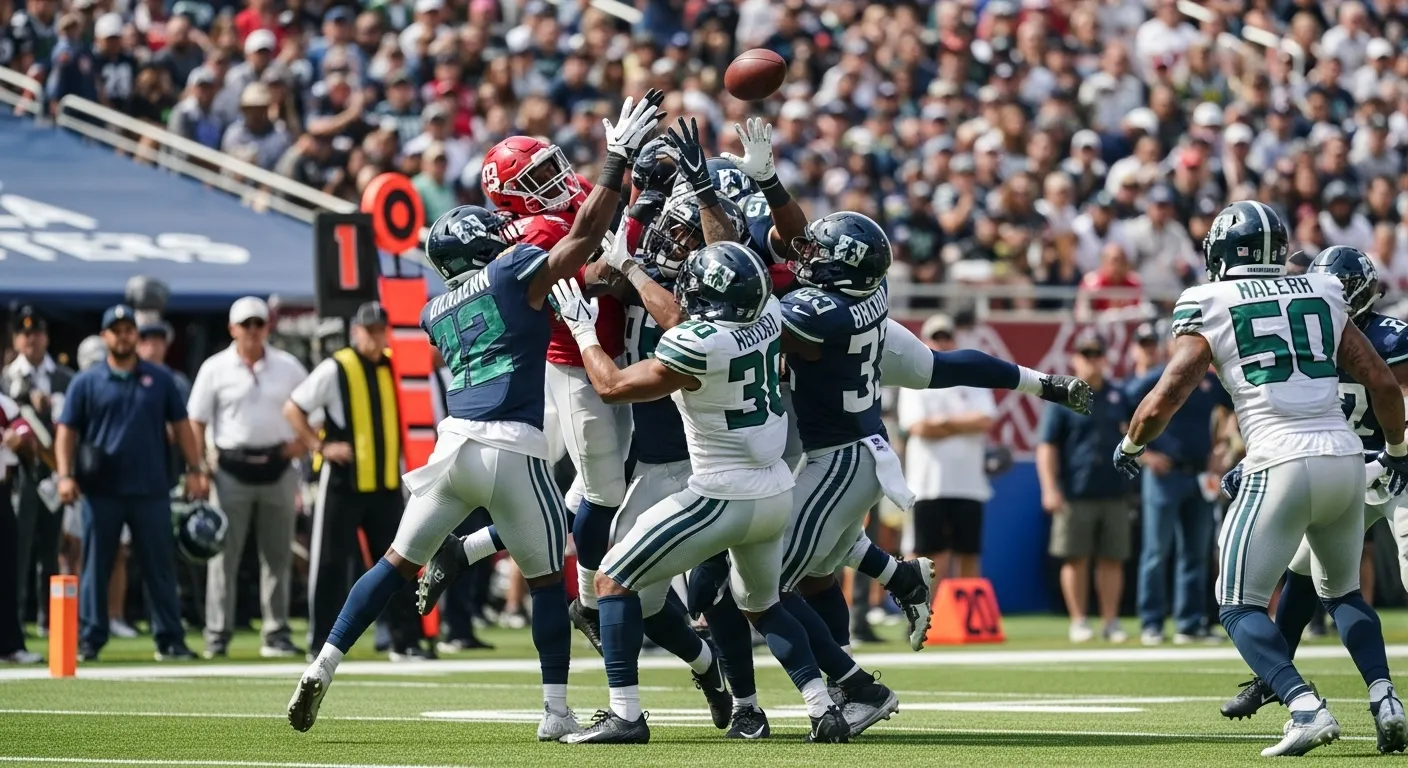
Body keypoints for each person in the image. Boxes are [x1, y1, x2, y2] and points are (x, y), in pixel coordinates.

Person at [286, 89, 665, 741]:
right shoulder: (514, 267)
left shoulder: (435, 311)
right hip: (515, 446)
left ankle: (322, 663)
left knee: (391, 566)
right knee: (549, 583)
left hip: (451, 447)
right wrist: (615, 165)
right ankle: (555, 711)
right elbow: (579, 246)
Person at [1115, 203, 1407, 757]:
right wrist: (1396, 450)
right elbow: (1385, 387)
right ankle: (1385, 697)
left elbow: (1170, 392)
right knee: (1343, 591)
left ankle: (1304, 706)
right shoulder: (1321, 290)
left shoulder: (1208, 300)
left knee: (1236, 604)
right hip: (1346, 460)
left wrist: (1132, 442)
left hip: (1278, 458)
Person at [551, 240, 849, 745]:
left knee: (611, 580)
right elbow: (678, 316)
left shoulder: (698, 344)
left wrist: (582, 331)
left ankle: (626, 715)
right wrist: (633, 268)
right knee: (765, 604)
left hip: (720, 492)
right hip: (775, 489)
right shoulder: (771, 316)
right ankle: (823, 709)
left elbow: (612, 386)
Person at [1219, 247, 1408, 730]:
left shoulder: (1391, 338)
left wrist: (1398, 452)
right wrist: (1253, 460)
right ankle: (1276, 679)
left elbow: (1391, 395)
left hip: (1397, 468)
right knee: (1305, 573)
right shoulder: (1310, 337)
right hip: (1347, 470)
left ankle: (1295, 686)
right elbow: (1297, 414)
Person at [55, 304, 210, 662]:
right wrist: (65, 474)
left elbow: (182, 425)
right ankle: (91, 637)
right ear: (105, 336)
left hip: (150, 488)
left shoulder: (159, 379)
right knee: (96, 564)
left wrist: (195, 468)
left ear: (135, 337)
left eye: (129, 330)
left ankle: (170, 639)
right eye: (116, 329)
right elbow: (66, 430)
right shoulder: (86, 381)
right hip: (101, 491)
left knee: (159, 566)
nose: (123, 336)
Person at [284, 302, 426, 660]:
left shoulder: (394, 365)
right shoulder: (337, 368)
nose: (376, 336)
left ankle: (405, 640)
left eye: (381, 329)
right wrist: (320, 446)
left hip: (384, 484)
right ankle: (320, 642)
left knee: (401, 561)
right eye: (370, 330)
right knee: (329, 563)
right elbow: (293, 407)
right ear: (357, 332)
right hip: (343, 482)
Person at [188, 296, 308, 660]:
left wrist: (300, 446)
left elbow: (311, 409)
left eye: (259, 324)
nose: (253, 331)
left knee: (277, 556)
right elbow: (196, 419)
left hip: (277, 466)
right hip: (230, 470)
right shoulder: (215, 368)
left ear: (267, 327)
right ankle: (217, 633)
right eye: (246, 325)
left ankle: (276, 632)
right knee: (223, 556)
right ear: (233, 329)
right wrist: (199, 468)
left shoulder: (287, 367)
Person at [1125, 321, 1232, 646]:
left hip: (1199, 473)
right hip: (1164, 476)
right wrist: (1145, 454)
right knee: (1157, 551)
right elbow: (1122, 419)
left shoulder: (1208, 381)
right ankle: (1152, 622)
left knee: (1195, 552)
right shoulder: (1151, 379)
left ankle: (1189, 622)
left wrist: (1222, 447)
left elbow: (1231, 409)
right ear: (1170, 346)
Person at [1037, 329, 1132, 644]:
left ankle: (1110, 621)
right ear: (1075, 358)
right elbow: (1047, 446)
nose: (1092, 361)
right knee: (1075, 557)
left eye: (1097, 354)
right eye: (1085, 354)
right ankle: (1078, 620)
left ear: (1106, 357)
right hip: (1075, 491)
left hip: (1114, 489)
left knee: (1112, 558)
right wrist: (1049, 487)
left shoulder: (1120, 396)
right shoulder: (1063, 399)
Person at [898, 313, 997, 581]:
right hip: (928, 486)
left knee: (968, 554)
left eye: (946, 336)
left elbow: (986, 419)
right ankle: (923, 619)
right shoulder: (913, 379)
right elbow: (917, 426)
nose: (942, 343)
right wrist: (963, 423)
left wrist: (941, 423)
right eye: (936, 337)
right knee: (926, 557)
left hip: (968, 485)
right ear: (925, 341)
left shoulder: (972, 377)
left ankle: (964, 620)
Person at [3, 306, 73, 637]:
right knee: (17, 549)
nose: (31, 339)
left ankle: (50, 620)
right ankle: (14, 619)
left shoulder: (63, 377)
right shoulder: (5, 378)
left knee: (52, 549)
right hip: (18, 476)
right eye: (24, 333)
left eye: (37, 332)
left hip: (53, 472)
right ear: (16, 339)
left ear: (46, 336)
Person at [0, 391, 41, 664]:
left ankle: (9, 645)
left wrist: (18, 439)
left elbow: (25, 432)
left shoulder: (3, 403)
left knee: (5, 572)